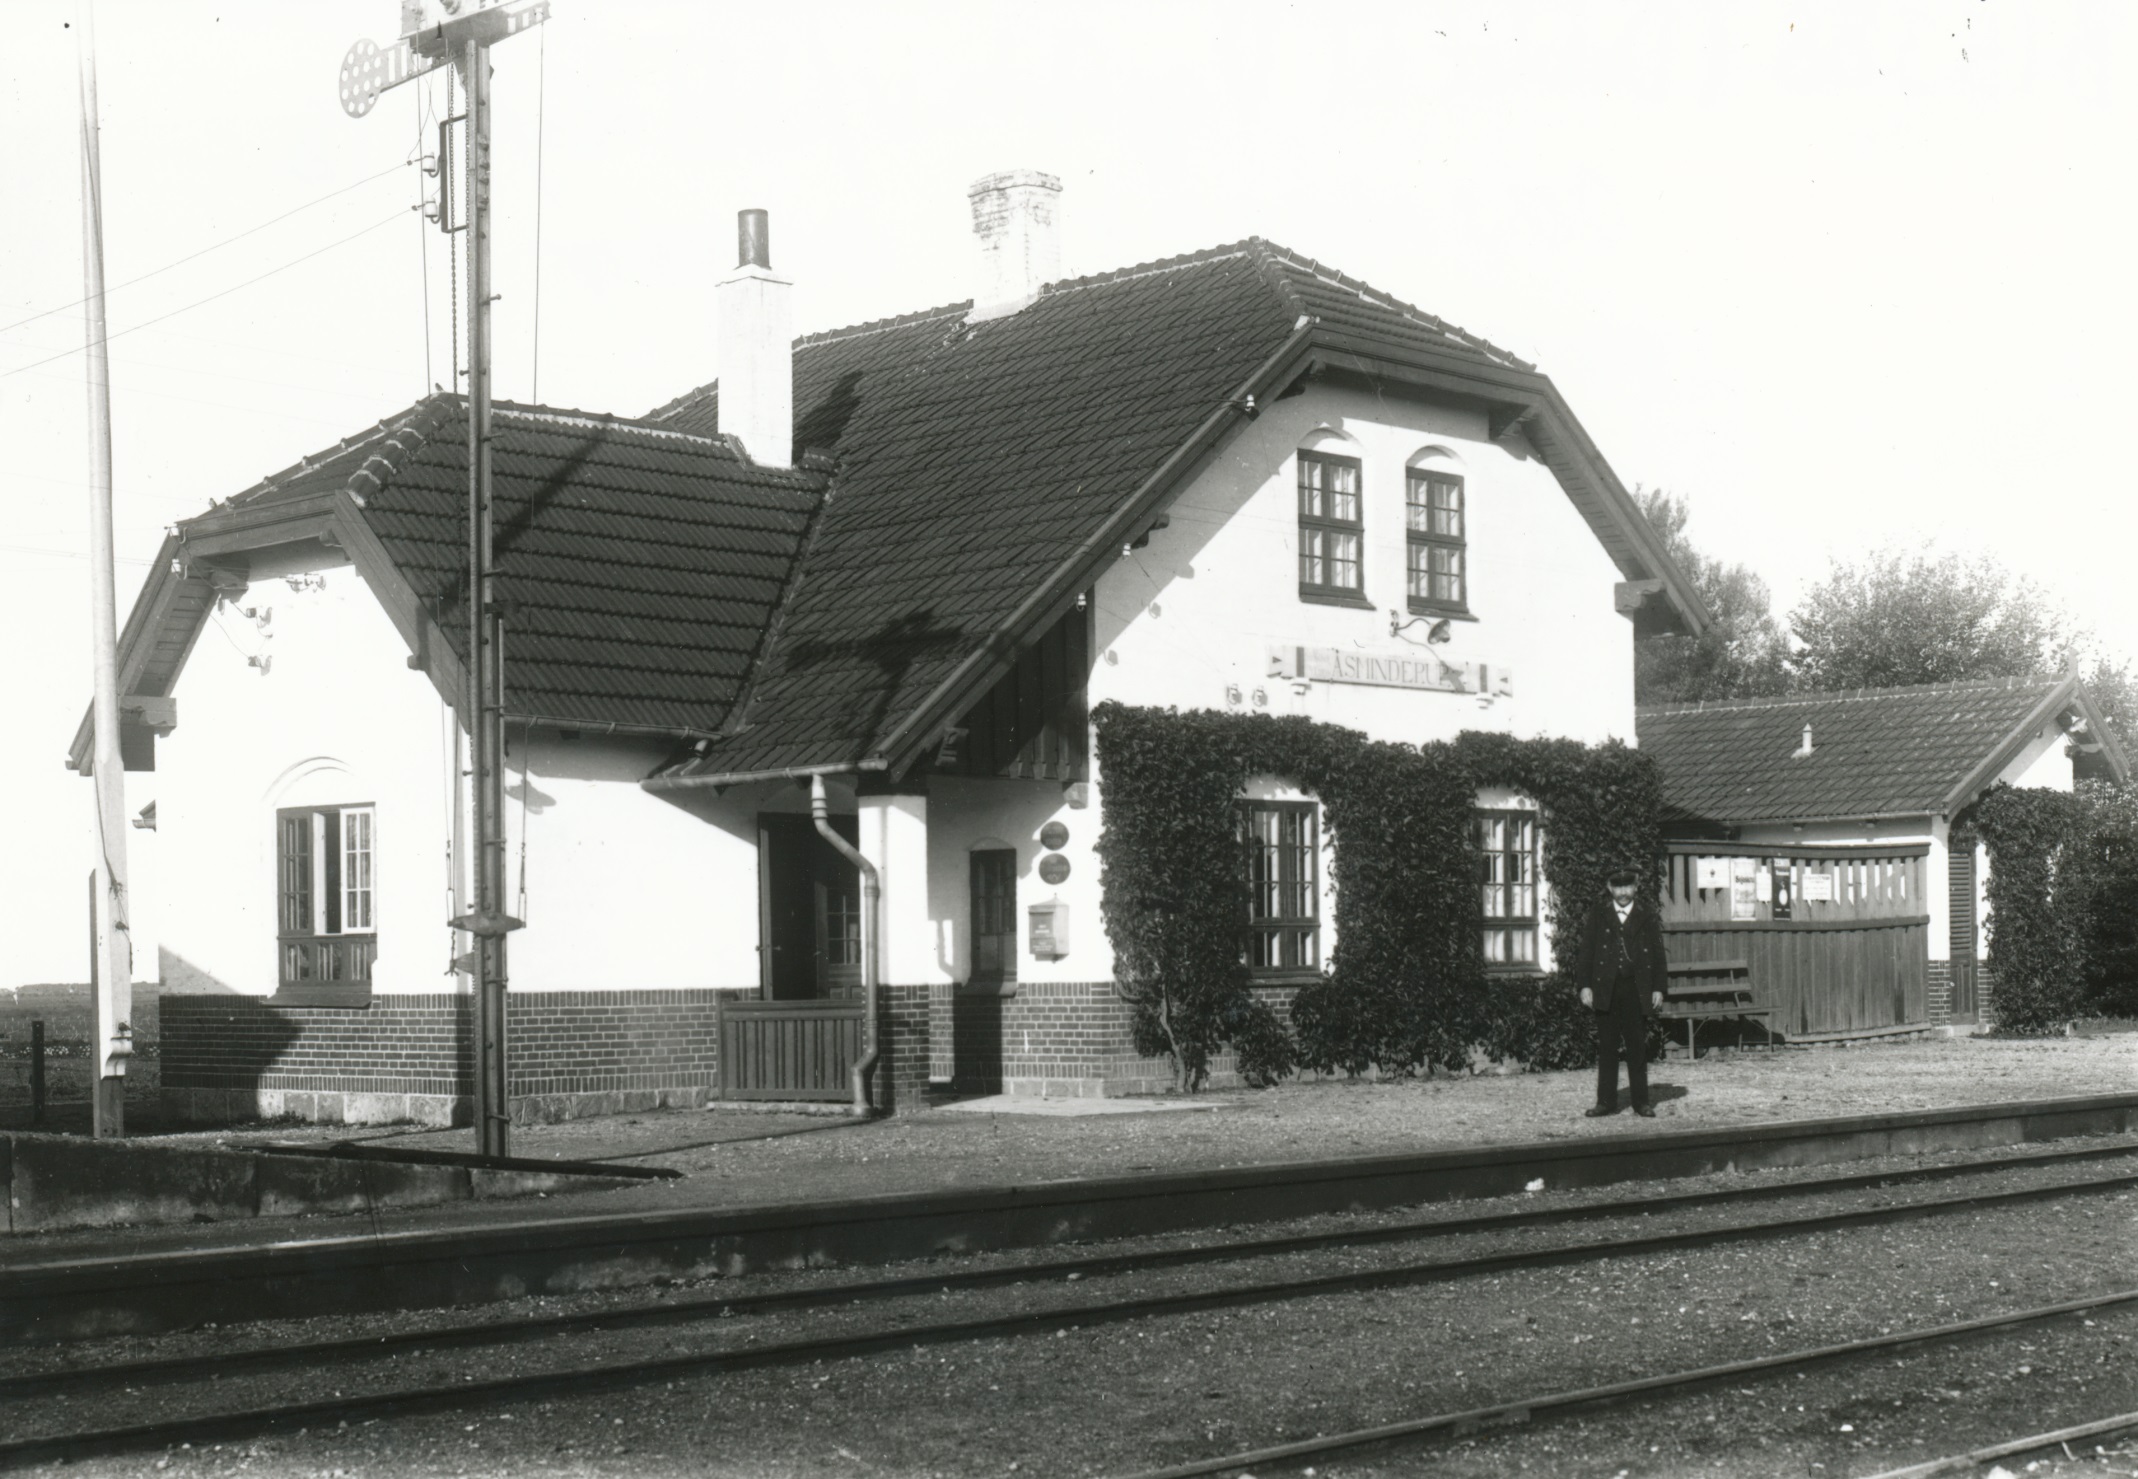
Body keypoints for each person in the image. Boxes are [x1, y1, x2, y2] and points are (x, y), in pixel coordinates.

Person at [1572, 865, 1665, 1118]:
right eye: (1618, 886)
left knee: (1637, 1047)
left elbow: (1657, 953)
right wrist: (1585, 985)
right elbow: (1587, 951)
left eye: (1628, 886)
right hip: (1606, 988)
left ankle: (1641, 1103)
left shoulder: (1647, 914)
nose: (1623, 892)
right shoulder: (1599, 913)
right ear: (1609, 888)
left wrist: (1658, 987)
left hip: (1636, 988)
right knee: (1607, 1047)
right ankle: (1606, 1102)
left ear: (1636, 887)